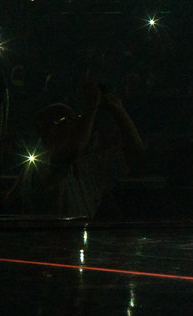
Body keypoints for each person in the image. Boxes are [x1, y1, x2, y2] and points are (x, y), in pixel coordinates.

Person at [13, 80, 144, 218]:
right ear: (45, 131)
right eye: (64, 120)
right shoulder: (40, 165)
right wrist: (92, 106)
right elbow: (73, 149)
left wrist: (118, 109)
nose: (75, 123)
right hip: (48, 239)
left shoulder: (86, 166)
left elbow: (136, 155)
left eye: (75, 119)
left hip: (78, 239)